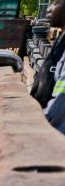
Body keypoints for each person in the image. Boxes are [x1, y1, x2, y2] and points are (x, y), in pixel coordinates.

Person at [35, 1, 65, 133]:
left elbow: (60, 103)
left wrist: (39, 123)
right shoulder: (61, 42)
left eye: (56, 2)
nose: (49, 8)